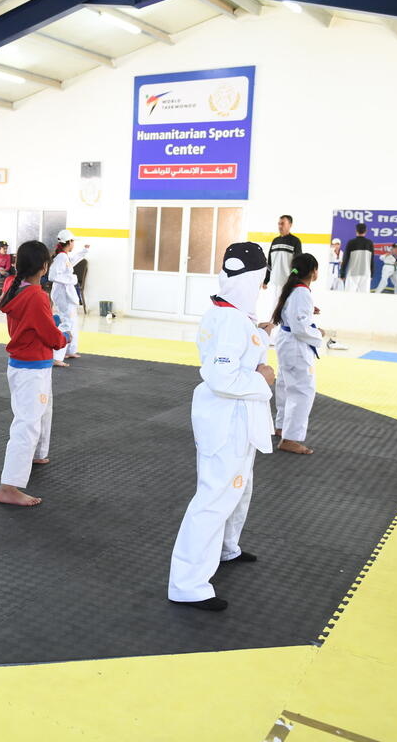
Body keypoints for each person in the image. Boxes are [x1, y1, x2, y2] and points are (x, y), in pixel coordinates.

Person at [168, 241, 274, 612]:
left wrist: (261, 335)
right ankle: (188, 583)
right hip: (227, 420)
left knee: (237, 490)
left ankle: (227, 548)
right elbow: (220, 376)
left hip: (236, 420)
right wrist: (266, 380)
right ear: (255, 277)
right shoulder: (231, 319)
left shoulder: (230, 311)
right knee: (214, 499)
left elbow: (237, 350)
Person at [0, 241, 69, 508]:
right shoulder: (37, 295)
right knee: (27, 422)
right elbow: (50, 335)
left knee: (43, 409)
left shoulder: (12, 285)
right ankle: (9, 486)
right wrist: (64, 337)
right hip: (31, 365)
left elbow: (35, 323)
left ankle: (38, 453)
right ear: (44, 267)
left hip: (23, 363)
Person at [272, 254, 324, 455]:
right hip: (295, 345)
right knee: (303, 391)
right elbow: (300, 327)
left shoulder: (294, 289)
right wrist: (318, 333)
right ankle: (290, 438)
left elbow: (294, 315)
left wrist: (310, 310)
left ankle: (281, 427)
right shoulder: (301, 293)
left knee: (286, 385)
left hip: (286, 344)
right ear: (313, 271)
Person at [49, 230, 89, 367]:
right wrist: (71, 279)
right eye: (73, 242)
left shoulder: (64, 257)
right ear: (69, 242)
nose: (74, 244)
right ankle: (57, 356)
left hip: (66, 294)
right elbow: (52, 276)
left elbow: (71, 262)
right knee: (66, 322)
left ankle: (70, 350)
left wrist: (83, 252)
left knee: (72, 322)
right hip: (63, 295)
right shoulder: (60, 258)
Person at [262, 214, 301, 289]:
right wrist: (266, 280)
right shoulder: (275, 241)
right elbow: (269, 262)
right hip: (273, 283)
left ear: (290, 225)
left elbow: (298, 263)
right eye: (279, 224)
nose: (280, 226)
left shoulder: (295, 241)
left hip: (287, 283)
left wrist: (294, 279)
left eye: (282, 223)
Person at [340, 223, 374, 293]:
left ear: (356, 231)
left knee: (349, 295)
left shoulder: (351, 242)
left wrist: (342, 273)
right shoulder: (369, 243)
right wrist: (372, 274)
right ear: (366, 231)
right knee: (363, 297)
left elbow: (345, 259)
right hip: (366, 273)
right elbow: (372, 260)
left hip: (353, 273)